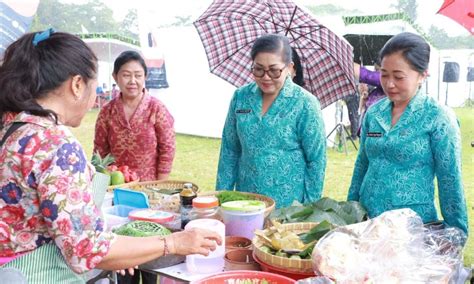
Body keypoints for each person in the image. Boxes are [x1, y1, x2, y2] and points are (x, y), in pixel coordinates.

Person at [0, 29, 221, 283]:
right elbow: (89, 250)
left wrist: (121, 250)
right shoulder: (55, 144)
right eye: (94, 85)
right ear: (77, 85)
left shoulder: (11, 129)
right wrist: (174, 242)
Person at [347, 32, 468, 236]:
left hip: (411, 229)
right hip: (368, 222)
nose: (390, 83)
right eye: (384, 74)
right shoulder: (374, 113)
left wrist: (456, 233)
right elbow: (362, 165)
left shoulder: (438, 118)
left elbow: (450, 180)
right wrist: (350, 212)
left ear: (422, 75)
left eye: (399, 76)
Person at [216, 34, 326, 208]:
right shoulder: (241, 97)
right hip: (245, 200)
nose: (266, 77)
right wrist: (222, 198)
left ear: (289, 67)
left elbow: (316, 160)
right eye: (258, 69)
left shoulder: (305, 103)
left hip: (287, 204)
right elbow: (230, 150)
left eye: (274, 70)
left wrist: (308, 208)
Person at [94, 51, 175, 182]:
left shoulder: (156, 108)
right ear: (115, 77)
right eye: (126, 75)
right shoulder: (106, 112)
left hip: (149, 186)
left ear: (145, 77)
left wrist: (160, 185)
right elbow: (99, 152)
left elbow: (167, 149)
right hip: (116, 185)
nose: (132, 81)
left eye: (138, 75)